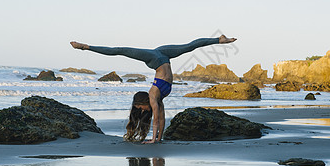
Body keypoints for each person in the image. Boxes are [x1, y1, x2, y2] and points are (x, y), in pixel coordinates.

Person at [70, 35, 236, 143]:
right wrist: (159, 138)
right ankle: (219, 40)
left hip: (153, 58)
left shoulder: (152, 95)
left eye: (139, 108)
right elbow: (161, 118)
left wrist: (153, 141)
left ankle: (85, 47)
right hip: (162, 54)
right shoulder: (158, 98)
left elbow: (155, 120)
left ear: (142, 102)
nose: (141, 111)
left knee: (120, 51)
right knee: (189, 46)